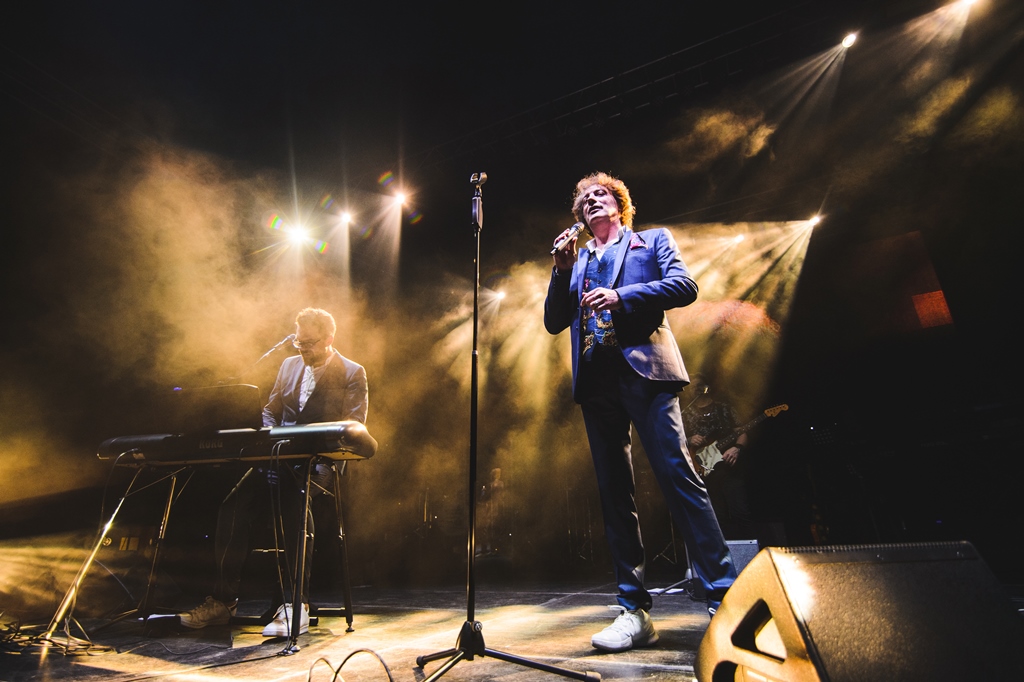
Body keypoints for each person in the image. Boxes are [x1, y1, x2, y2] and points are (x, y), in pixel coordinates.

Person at [544, 172, 736, 653]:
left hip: (646, 373)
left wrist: (622, 296)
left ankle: (725, 597)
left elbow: (684, 286)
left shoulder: (651, 241)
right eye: (583, 199)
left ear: (619, 204)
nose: (591, 201)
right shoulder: (578, 260)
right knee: (615, 495)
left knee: (679, 477)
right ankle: (633, 610)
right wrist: (561, 271)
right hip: (597, 384)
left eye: (600, 194)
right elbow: (553, 321)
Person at [178, 307, 368, 636]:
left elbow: (353, 426)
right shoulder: (288, 366)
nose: (302, 349)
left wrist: (312, 451)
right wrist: (269, 441)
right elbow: (270, 410)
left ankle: (296, 605)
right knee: (232, 507)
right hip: (278, 459)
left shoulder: (352, 372)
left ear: (329, 339)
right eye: (298, 342)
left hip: (319, 463)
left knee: (296, 501)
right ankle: (223, 602)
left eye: (309, 343)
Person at [681, 376, 754, 540]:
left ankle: (749, 552)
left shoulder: (724, 408)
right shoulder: (685, 414)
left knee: (740, 511)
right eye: (691, 387)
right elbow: (675, 441)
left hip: (729, 467)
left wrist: (737, 448)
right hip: (704, 472)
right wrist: (689, 440)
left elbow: (742, 432)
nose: (695, 389)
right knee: (717, 517)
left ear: (706, 387)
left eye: (699, 385)